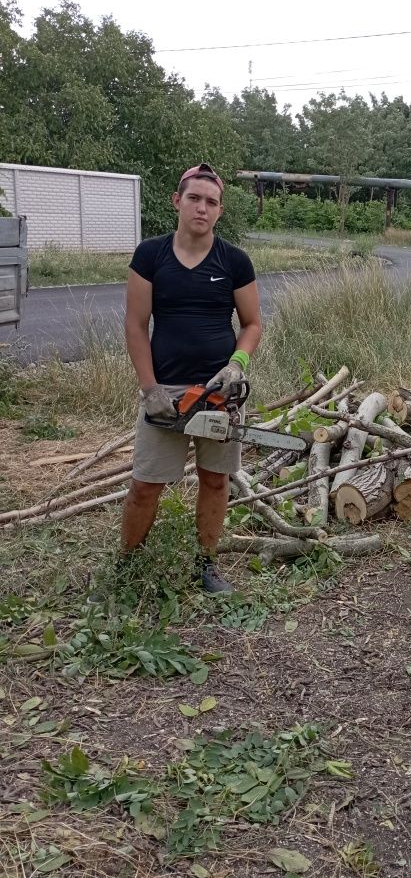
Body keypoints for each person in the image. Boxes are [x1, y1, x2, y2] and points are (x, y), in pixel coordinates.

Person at [95, 163, 262, 597]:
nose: (201, 208)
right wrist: (150, 389)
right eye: (194, 198)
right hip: (165, 391)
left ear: (219, 210)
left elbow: (252, 323)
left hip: (218, 392)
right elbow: (136, 325)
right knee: (145, 484)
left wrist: (237, 365)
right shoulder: (150, 255)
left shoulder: (234, 262)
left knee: (215, 479)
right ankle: (126, 570)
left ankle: (205, 565)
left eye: (210, 202)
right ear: (177, 201)